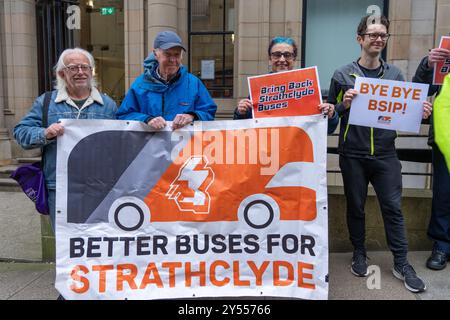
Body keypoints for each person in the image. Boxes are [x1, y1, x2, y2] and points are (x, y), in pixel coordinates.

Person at [327, 15, 432, 293]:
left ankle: (402, 262)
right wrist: (341, 105)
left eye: (382, 35)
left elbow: (403, 113)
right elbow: (329, 118)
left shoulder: (395, 75)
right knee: (355, 207)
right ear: (360, 39)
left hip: (386, 154)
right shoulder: (341, 74)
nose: (378, 39)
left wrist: (420, 113)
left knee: (393, 209)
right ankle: (359, 252)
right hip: (353, 154)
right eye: (372, 34)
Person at [14, 48, 118, 231]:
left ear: (91, 71)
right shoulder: (46, 102)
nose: (80, 72)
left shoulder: (108, 105)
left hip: (98, 187)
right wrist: (45, 133)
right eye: (73, 68)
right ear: (62, 73)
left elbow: (119, 144)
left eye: (85, 67)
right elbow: (21, 132)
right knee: (65, 246)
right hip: (60, 187)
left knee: (97, 241)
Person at [233, 36, 339, 134]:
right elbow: (242, 129)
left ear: (294, 59)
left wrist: (331, 115)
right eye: (277, 55)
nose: (282, 60)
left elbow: (328, 129)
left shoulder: (307, 86)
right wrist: (241, 112)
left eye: (288, 55)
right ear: (270, 59)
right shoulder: (259, 89)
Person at [117, 30, 217, 128]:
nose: (173, 60)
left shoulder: (194, 83)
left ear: (181, 56)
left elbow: (209, 112)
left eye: (177, 54)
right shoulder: (140, 85)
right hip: (149, 144)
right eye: (167, 54)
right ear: (156, 54)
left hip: (186, 144)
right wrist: (147, 119)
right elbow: (123, 116)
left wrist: (192, 116)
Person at [413, 47, 450, 270]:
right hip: (446, 140)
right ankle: (442, 246)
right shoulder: (445, 59)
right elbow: (419, 88)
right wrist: (428, 64)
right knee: (444, 193)